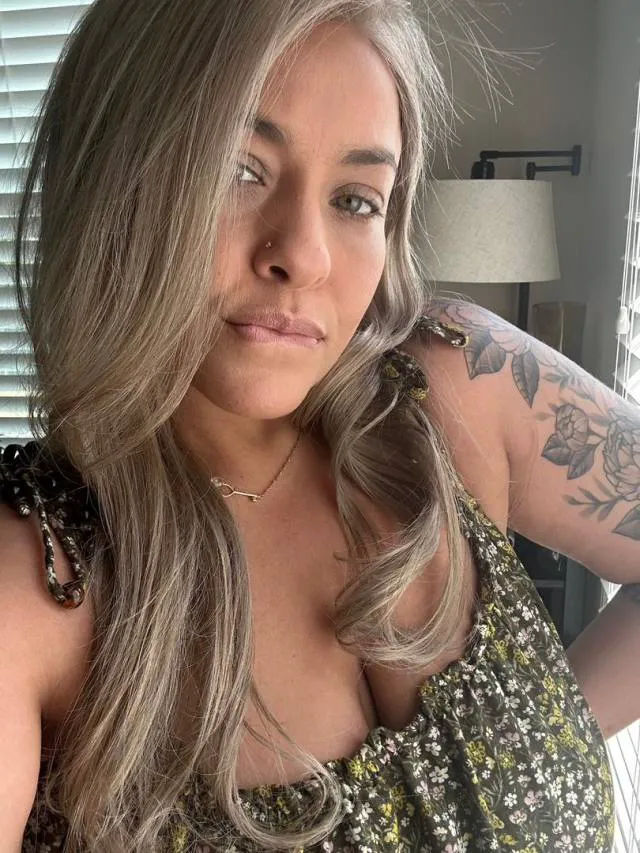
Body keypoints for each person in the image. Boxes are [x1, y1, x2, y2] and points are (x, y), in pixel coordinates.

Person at [2, 0, 636, 850]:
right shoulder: (36, 579)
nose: (303, 255)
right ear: (112, 178)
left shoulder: (463, 382)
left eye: (355, 199)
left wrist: (541, 746)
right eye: (239, 169)